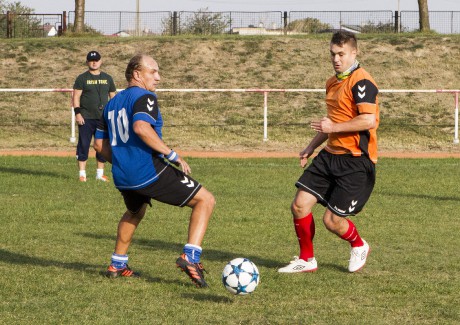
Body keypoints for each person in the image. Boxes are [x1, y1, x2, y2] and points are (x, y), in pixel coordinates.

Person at [94, 54, 215, 288]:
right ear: (137, 74)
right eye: (153, 72)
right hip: (147, 170)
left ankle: (117, 263)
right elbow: (141, 127)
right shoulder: (145, 96)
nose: (158, 78)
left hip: (123, 176)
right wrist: (172, 155)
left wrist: (121, 162)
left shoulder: (111, 104)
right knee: (206, 200)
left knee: (134, 212)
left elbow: (99, 146)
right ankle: (191, 257)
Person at [279, 30, 379, 273]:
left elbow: (368, 120)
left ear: (354, 53)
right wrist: (311, 147)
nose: (336, 59)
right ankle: (307, 259)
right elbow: (331, 124)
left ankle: (358, 244)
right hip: (329, 156)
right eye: (332, 54)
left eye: (341, 54)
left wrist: (333, 127)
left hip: (355, 162)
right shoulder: (332, 83)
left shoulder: (362, 81)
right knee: (300, 205)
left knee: (332, 221)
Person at [73, 50, 117, 182]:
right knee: (84, 144)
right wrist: (77, 113)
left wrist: (112, 115)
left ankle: (100, 174)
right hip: (86, 117)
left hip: (102, 119)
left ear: (100, 61)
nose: (94, 62)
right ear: (87, 62)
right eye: (91, 60)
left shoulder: (108, 78)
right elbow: (76, 97)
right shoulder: (82, 78)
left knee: (102, 146)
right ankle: (82, 174)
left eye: (96, 60)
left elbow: (113, 97)